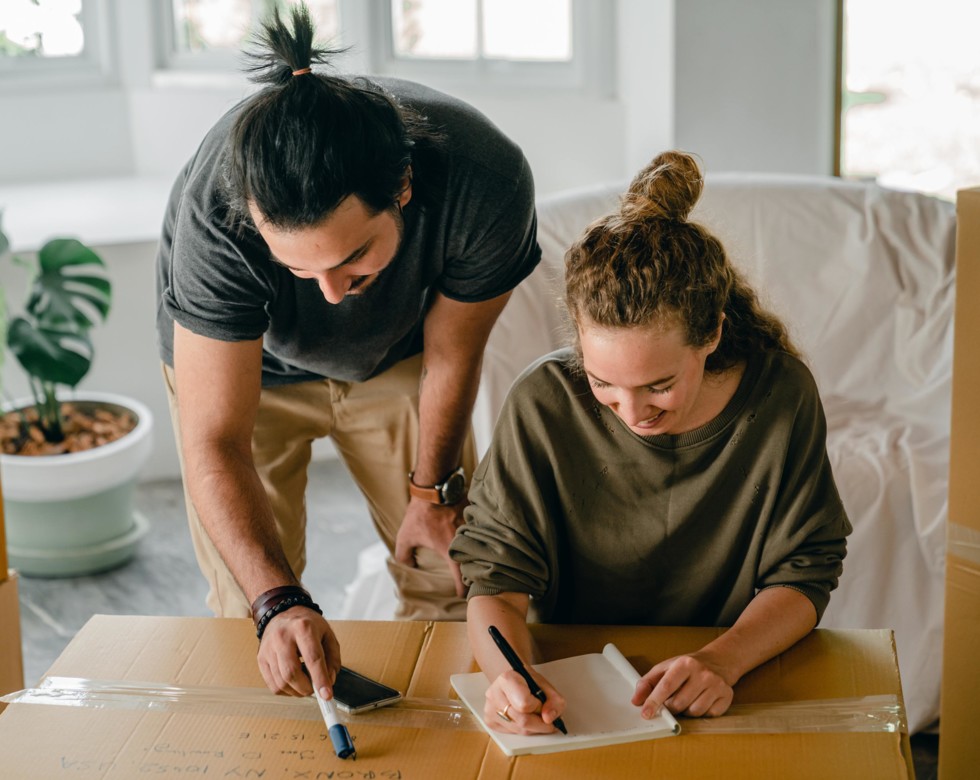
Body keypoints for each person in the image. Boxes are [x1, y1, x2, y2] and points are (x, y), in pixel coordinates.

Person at [155, 5, 540, 701]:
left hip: (398, 358)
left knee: (447, 574)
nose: (331, 295)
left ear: (402, 188)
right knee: (255, 611)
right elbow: (216, 438)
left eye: (354, 258)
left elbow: (453, 355)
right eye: (300, 270)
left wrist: (431, 492)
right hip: (247, 375)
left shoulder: (487, 181)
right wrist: (277, 601)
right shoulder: (214, 211)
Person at [449, 151, 852, 733]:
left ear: (712, 331)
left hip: (725, 679)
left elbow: (805, 571)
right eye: (602, 383)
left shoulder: (780, 394)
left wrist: (723, 660)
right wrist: (507, 675)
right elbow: (496, 578)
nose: (633, 413)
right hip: (571, 687)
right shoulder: (542, 401)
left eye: (659, 386)